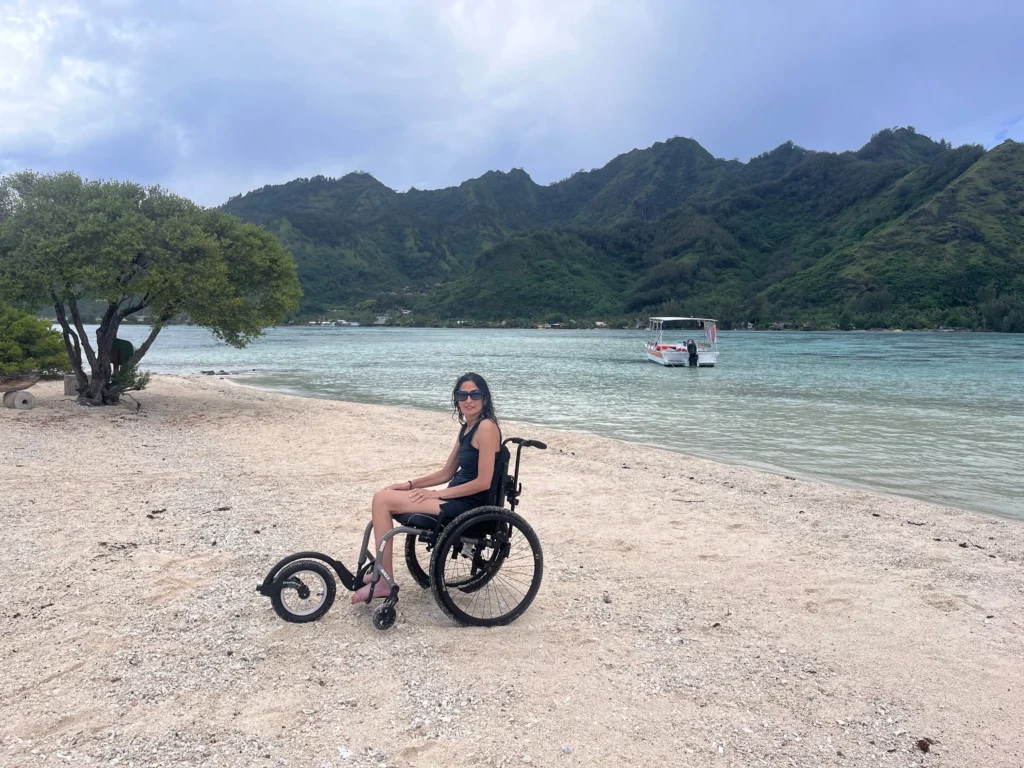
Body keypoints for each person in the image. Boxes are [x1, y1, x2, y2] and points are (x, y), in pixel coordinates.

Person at [350, 372, 501, 604]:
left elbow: (483, 482)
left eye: (475, 394)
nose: (468, 400)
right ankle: (382, 574)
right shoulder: (467, 428)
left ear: (485, 398)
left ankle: (382, 580)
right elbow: (446, 473)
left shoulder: (486, 428)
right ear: (457, 399)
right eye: (462, 395)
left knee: (382, 500)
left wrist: (437, 493)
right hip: (454, 498)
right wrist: (409, 484)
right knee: (386, 496)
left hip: (468, 505)